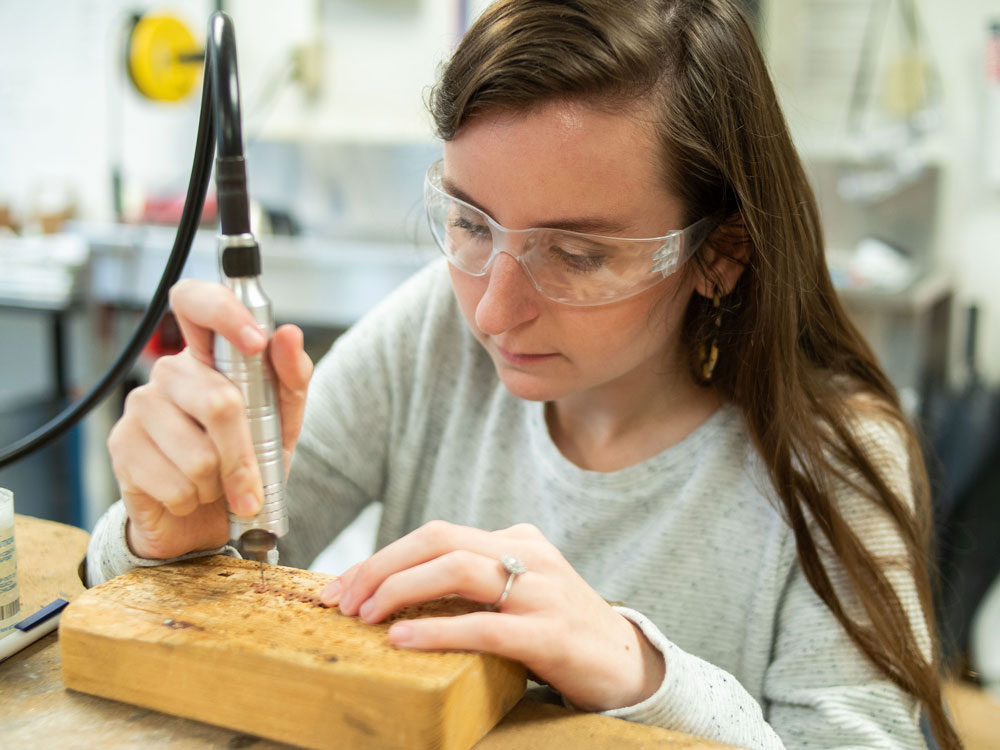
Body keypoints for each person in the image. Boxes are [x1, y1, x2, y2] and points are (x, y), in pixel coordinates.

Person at [87, 1, 960, 748]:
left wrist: (641, 673)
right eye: (470, 223)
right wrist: (169, 537)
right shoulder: (437, 327)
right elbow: (208, 578)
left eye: (577, 254)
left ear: (720, 252)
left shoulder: (835, 459)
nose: (493, 313)